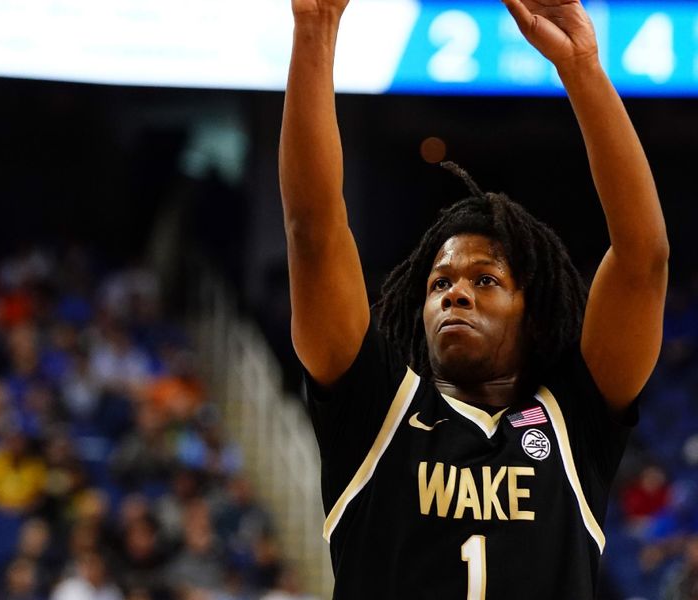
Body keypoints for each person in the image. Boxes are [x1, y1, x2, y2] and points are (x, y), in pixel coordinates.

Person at [279, 0, 668, 598]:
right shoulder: (374, 407)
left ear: (531, 313)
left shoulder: (574, 422)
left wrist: (583, 66)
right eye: (440, 284)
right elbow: (313, 230)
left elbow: (643, 260)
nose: (455, 293)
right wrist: (315, 27)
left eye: (485, 281)